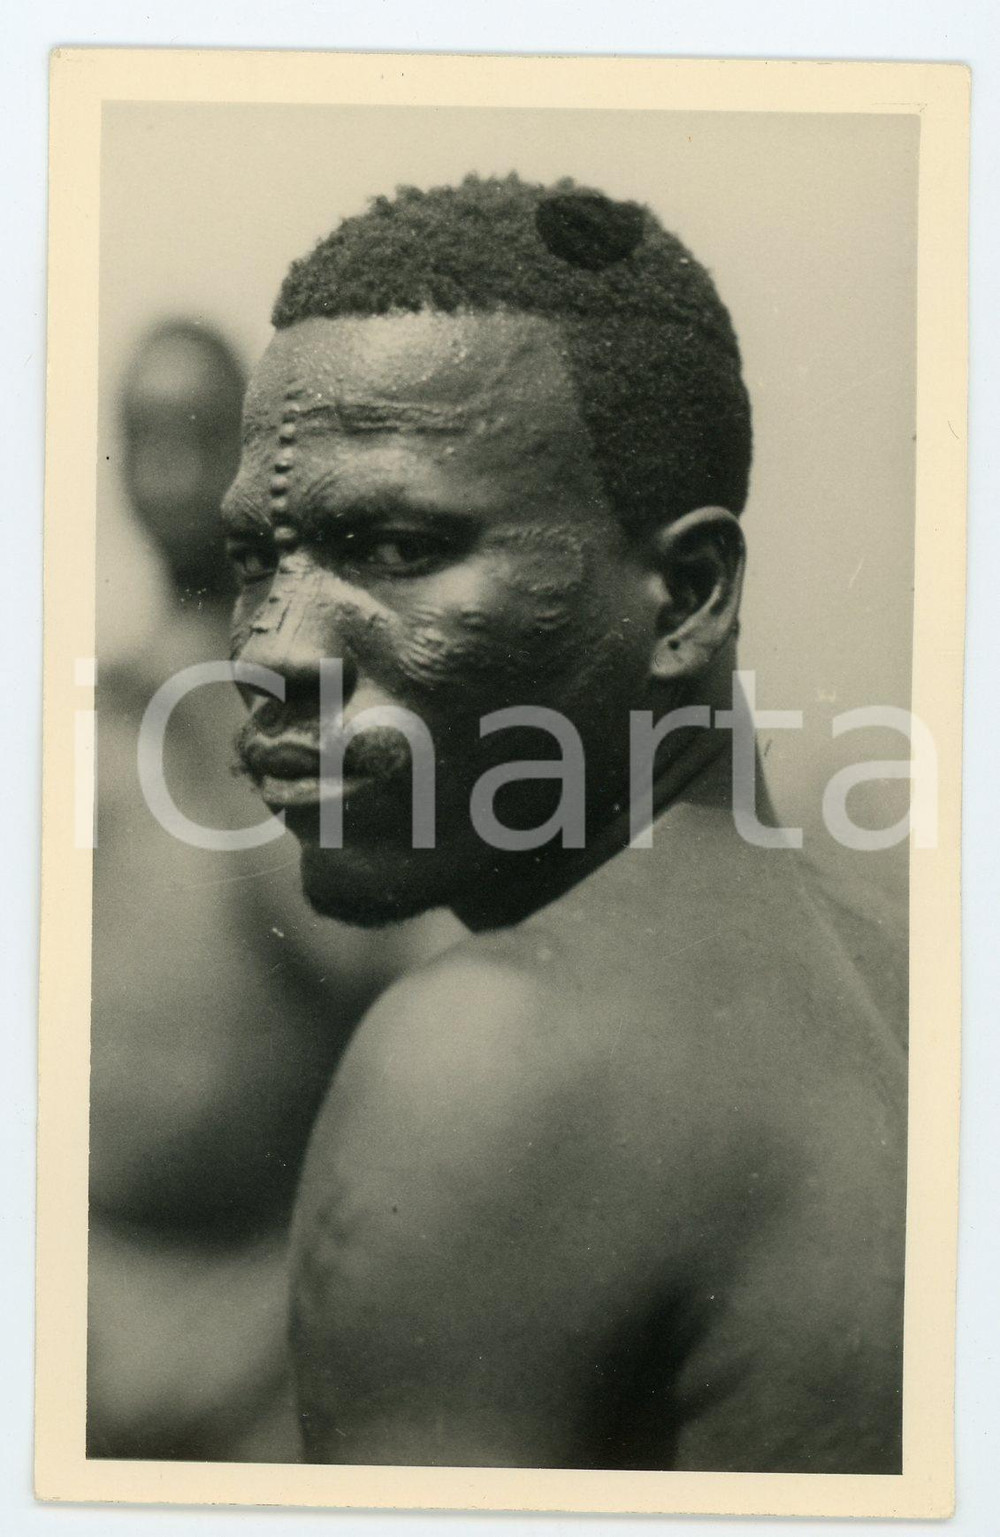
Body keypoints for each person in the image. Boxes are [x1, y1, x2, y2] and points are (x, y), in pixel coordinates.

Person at [220, 176, 906, 1472]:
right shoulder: (912, 965)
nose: (271, 650)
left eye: (394, 545)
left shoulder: (498, 1054)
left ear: (686, 597)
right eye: (257, 558)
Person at [88, 320, 455, 1459]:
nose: (169, 473)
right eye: (144, 439)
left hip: (263, 1302)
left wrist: (210, 721)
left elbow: (368, 961)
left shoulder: (321, 700)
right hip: (92, 1285)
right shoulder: (90, 702)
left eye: (199, 439)